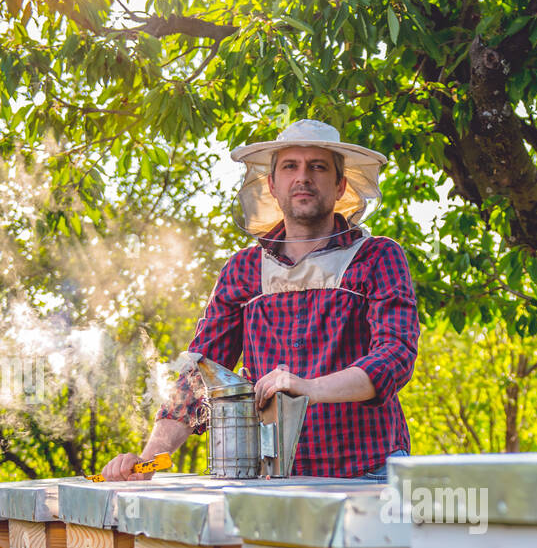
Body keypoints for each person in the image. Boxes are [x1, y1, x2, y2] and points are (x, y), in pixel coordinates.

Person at [101, 118, 419, 482]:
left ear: (340, 185)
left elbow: (394, 357)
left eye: (318, 166)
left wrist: (309, 389)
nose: (303, 177)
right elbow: (202, 374)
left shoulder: (377, 256)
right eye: (290, 166)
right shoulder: (243, 269)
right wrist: (148, 459)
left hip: (368, 471)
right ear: (272, 184)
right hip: (271, 478)